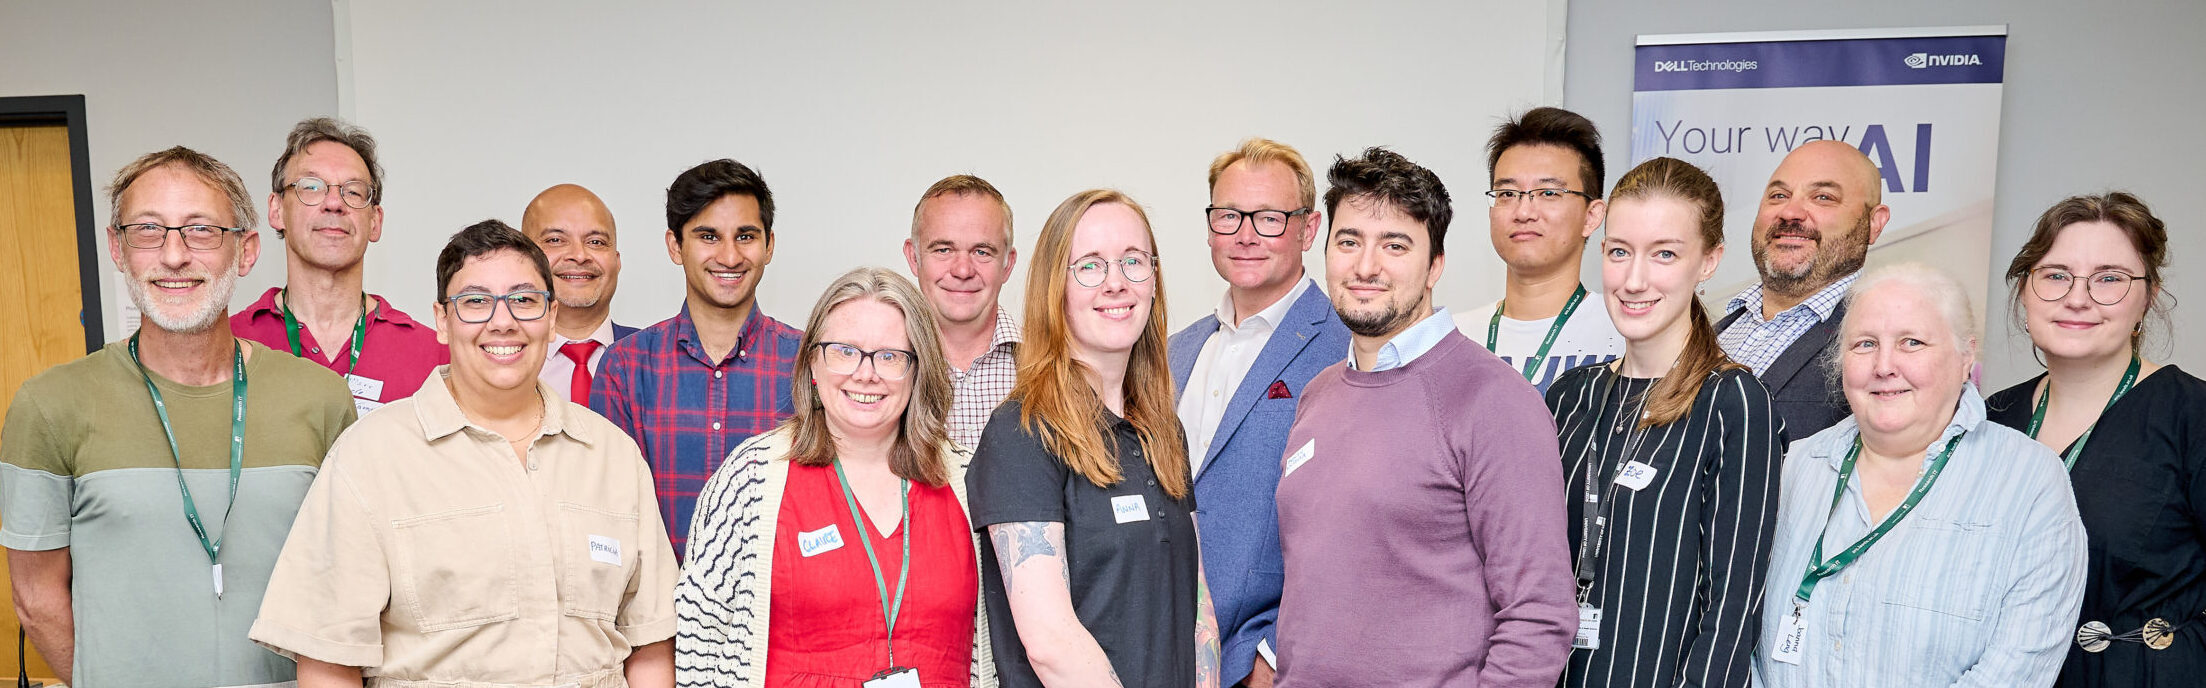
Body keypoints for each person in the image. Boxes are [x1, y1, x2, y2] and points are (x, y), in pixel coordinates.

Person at [250, 220, 678, 687]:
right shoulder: (370, 458)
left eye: (524, 300)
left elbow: (649, 646)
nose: (503, 321)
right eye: (475, 301)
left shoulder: (612, 456)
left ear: (552, 317)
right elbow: (327, 661)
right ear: (441, 319)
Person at [2, 147, 356, 687]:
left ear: (246, 251)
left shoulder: (320, 399)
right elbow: (35, 598)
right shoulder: (50, 406)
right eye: (148, 230)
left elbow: (348, 584)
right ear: (117, 249)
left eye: (200, 231)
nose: (173, 256)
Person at [1275, 147, 1575, 687]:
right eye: (1349, 242)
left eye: (1395, 245)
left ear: (1436, 264)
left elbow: (1539, 616)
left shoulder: (1495, 402)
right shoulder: (1318, 395)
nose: (1366, 266)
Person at [1751, 264, 2087, 688]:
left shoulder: (2030, 482)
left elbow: (2018, 664)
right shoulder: (1790, 470)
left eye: (1912, 342)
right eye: (1865, 344)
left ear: (1966, 357)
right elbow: (1736, 635)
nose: (1884, 365)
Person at [676, 267, 997, 687]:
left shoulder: (969, 481)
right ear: (812, 361)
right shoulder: (750, 479)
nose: (866, 373)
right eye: (845, 351)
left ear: (918, 370)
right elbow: (700, 641)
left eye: (890, 356)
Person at [967, 189, 1221, 688]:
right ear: (1054, 287)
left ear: (1154, 280)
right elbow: (1050, 643)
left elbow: (1199, 613)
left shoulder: (1162, 431)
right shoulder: (1022, 433)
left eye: (1133, 261)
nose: (1116, 284)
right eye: (1090, 266)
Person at [1544, 157, 1782, 688]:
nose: (1634, 280)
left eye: (1665, 254)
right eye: (1619, 252)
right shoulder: (1569, 398)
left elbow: (1732, 611)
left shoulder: (1734, 403)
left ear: (1709, 260)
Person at [1983, 193, 2206, 685]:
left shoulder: (2193, 416)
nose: (2077, 297)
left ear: (2148, 296)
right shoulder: (1988, 418)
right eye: (2056, 275)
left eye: (2109, 278)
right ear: (2025, 291)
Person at [1168, 137, 1350, 688]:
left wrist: (1273, 655)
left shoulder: (1345, 347)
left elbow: (1355, 530)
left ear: (1309, 228)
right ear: (1209, 227)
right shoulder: (1173, 352)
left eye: (1269, 218)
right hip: (1169, 650)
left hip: (1266, 664)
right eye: (1229, 216)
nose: (1246, 235)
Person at [592, 158, 805, 559]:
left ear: (769, 245)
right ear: (675, 246)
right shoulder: (626, 367)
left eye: (746, 236)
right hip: (658, 614)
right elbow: (609, 514)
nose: (729, 256)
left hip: (777, 612)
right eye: (708, 236)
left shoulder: (809, 363)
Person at [231, 117, 447, 415]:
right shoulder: (230, 344)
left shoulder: (433, 356)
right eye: (311, 187)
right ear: (276, 210)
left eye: (354, 191)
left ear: (375, 221)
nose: (334, 203)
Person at [1717, 140, 1889, 438]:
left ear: (1874, 224)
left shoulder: (1885, 342)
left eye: (1823, 197)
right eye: (1779, 195)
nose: (1790, 212)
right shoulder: (1709, 332)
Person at [1456, 107, 1625, 393]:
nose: (1524, 211)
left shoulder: (1626, 332)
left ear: (1592, 216)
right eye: (1507, 194)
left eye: (1548, 193)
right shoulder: (1452, 338)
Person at [902, 174, 1020, 450]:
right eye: (943, 249)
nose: (963, 270)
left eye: (982, 252)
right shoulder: (879, 369)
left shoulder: (1053, 367)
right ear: (914, 257)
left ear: (1007, 263)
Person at [521, 183, 639, 403]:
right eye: (555, 240)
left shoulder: (658, 359)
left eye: (596, 242)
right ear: (521, 257)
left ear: (617, 260)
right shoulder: (491, 360)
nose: (579, 255)